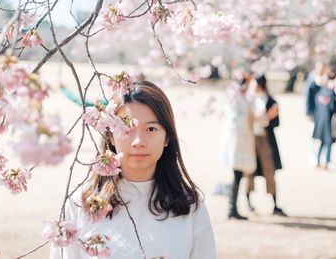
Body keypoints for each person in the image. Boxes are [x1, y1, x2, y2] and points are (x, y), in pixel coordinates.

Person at [50, 81, 216, 258]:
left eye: (151, 129)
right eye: (127, 128)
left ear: (167, 137)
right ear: (111, 136)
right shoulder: (80, 203)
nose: (138, 142)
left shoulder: (190, 205)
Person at [246, 74, 286, 216]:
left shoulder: (270, 101)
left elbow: (275, 123)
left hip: (266, 139)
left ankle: (275, 204)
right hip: (250, 140)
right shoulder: (247, 100)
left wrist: (268, 117)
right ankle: (248, 203)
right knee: (248, 171)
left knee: (270, 172)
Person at [220, 72, 257, 220]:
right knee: (237, 174)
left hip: (243, 139)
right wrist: (249, 118)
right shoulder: (234, 98)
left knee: (239, 175)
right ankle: (232, 208)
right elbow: (234, 119)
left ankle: (233, 207)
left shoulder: (242, 97)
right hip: (237, 140)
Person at [312, 68, 336, 169]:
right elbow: (334, 108)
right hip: (330, 121)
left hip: (321, 120)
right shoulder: (331, 94)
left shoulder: (321, 91)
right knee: (329, 141)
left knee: (323, 141)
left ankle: (318, 160)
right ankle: (326, 161)